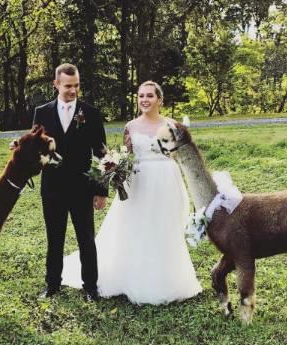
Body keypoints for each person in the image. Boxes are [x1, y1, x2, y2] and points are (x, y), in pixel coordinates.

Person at [62, 81, 202, 305]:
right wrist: (115, 170)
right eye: (140, 96)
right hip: (139, 182)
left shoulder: (173, 125)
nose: (144, 100)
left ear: (160, 100)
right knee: (136, 227)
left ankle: (166, 277)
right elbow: (125, 157)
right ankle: (133, 275)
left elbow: (183, 157)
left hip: (167, 181)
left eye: (149, 96)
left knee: (164, 227)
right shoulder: (131, 126)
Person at [33, 63, 107, 302]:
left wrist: (101, 190)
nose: (73, 90)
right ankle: (52, 284)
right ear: (55, 84)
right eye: (68, 86)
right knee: (54, 238)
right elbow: (37, 148)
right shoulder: (41, 112)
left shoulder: (91, 113)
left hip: (82, 188)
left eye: (76, 85)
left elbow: (102, 154)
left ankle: (91, 287)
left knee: (86, 239)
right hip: (52, 188)